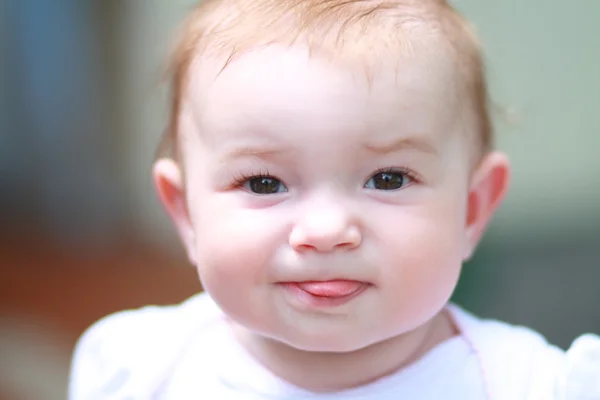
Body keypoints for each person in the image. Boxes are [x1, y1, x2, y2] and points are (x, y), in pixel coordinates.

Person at [68, 0, 600, 398]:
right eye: (264, 183)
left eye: (388, 179)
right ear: (185, 214)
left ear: (472, 208)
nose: (325, 230)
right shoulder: (135, 371)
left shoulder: (532, 385)